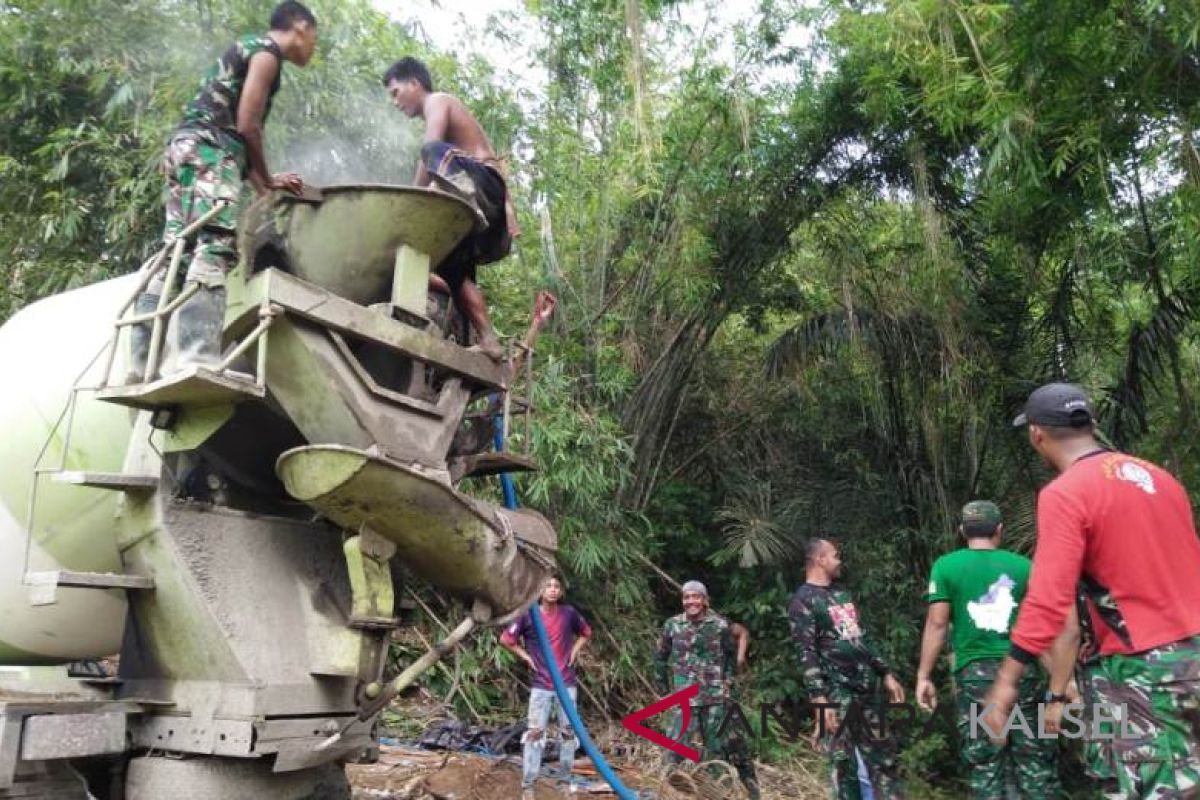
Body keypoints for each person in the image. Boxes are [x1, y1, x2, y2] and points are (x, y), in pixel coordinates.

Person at [984, 382, 1200, 798]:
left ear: (1037, 434)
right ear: (1092, 426)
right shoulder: (1160, 479)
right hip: (1192, 654)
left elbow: (1050, 600)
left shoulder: (1066, 493)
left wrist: (1008, 678)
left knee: (1156, 788)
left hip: (1144, 667)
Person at [129, 1, 316, 383]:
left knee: (174, 251)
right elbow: (247, 126)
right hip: (212, 150)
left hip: (186, 147)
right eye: (315, 36)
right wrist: (270, 178)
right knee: (215, 243)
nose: (314, 46)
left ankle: (139, 362)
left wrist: (264, 185)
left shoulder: (245, 47)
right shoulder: (266, 53)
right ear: (299, 26)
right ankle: (197, 356)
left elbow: (236, 137)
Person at [915, 501, 1060, 799]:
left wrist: (924, 675)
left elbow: (937, 624)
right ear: (999, 530)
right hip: (1023, 673)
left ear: (962, 531)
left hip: (975, 678)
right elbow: (1042, 625)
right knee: (1034, 762)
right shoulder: (1023, 566)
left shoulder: (946, 566)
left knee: (985, 763)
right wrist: (1062, 678)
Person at [382, 56, 519, 361]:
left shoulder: (438, 101)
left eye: (395, 92)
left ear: (415, 84)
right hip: (485, 209)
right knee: (452, 269)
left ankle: (461, 200)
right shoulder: (435, 114)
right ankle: (488, 339)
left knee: (430, 150)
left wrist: (409, 203)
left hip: (483, 188)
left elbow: (429, 152)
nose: (394, 102)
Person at [789, 538, 905, 799]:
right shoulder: (802, 600)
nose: (839, 561)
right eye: (835, 555)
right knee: (844, 765)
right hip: (836, 693)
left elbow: (863, 637)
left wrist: (885, 672)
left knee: (885, 760)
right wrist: (819, 698)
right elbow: (805, 652)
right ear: (820, 559)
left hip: (867, 689)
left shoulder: (842, 594)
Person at [655, 580, 760, 800]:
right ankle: (665, 791)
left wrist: (730, 680)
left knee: (717, 750)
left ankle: (721, 794)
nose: (691, 601)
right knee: (674, 746)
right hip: (685, 698)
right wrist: (662, 688)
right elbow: (660, 657)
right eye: (687, 597)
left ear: (704, 600)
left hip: (715, 698)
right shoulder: (672, 625)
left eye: (696, 597)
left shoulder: (719, 625)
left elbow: (731, 655)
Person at [500, 576, 592, 800]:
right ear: (539, 591)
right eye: (547, 586)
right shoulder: (528, 615)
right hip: (541, 684)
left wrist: (575, 651)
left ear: (560, 592)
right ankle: (528, 784)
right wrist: (526, 658)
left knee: (568, 733)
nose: (552, 590)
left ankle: (564, 780)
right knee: (534, 734)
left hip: (566, 683)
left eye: (556, 586)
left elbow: (586, 632)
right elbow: (506, 639)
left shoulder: (568, 613)